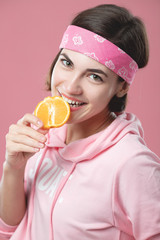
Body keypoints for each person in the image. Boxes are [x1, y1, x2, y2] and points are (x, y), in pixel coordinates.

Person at [0, 4, 159, 240]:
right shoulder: (43, 131)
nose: (71, 87)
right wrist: (13, 167)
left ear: (122, 87)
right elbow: (11, 226)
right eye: (67, 63)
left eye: (94, 76)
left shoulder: (132, 165)